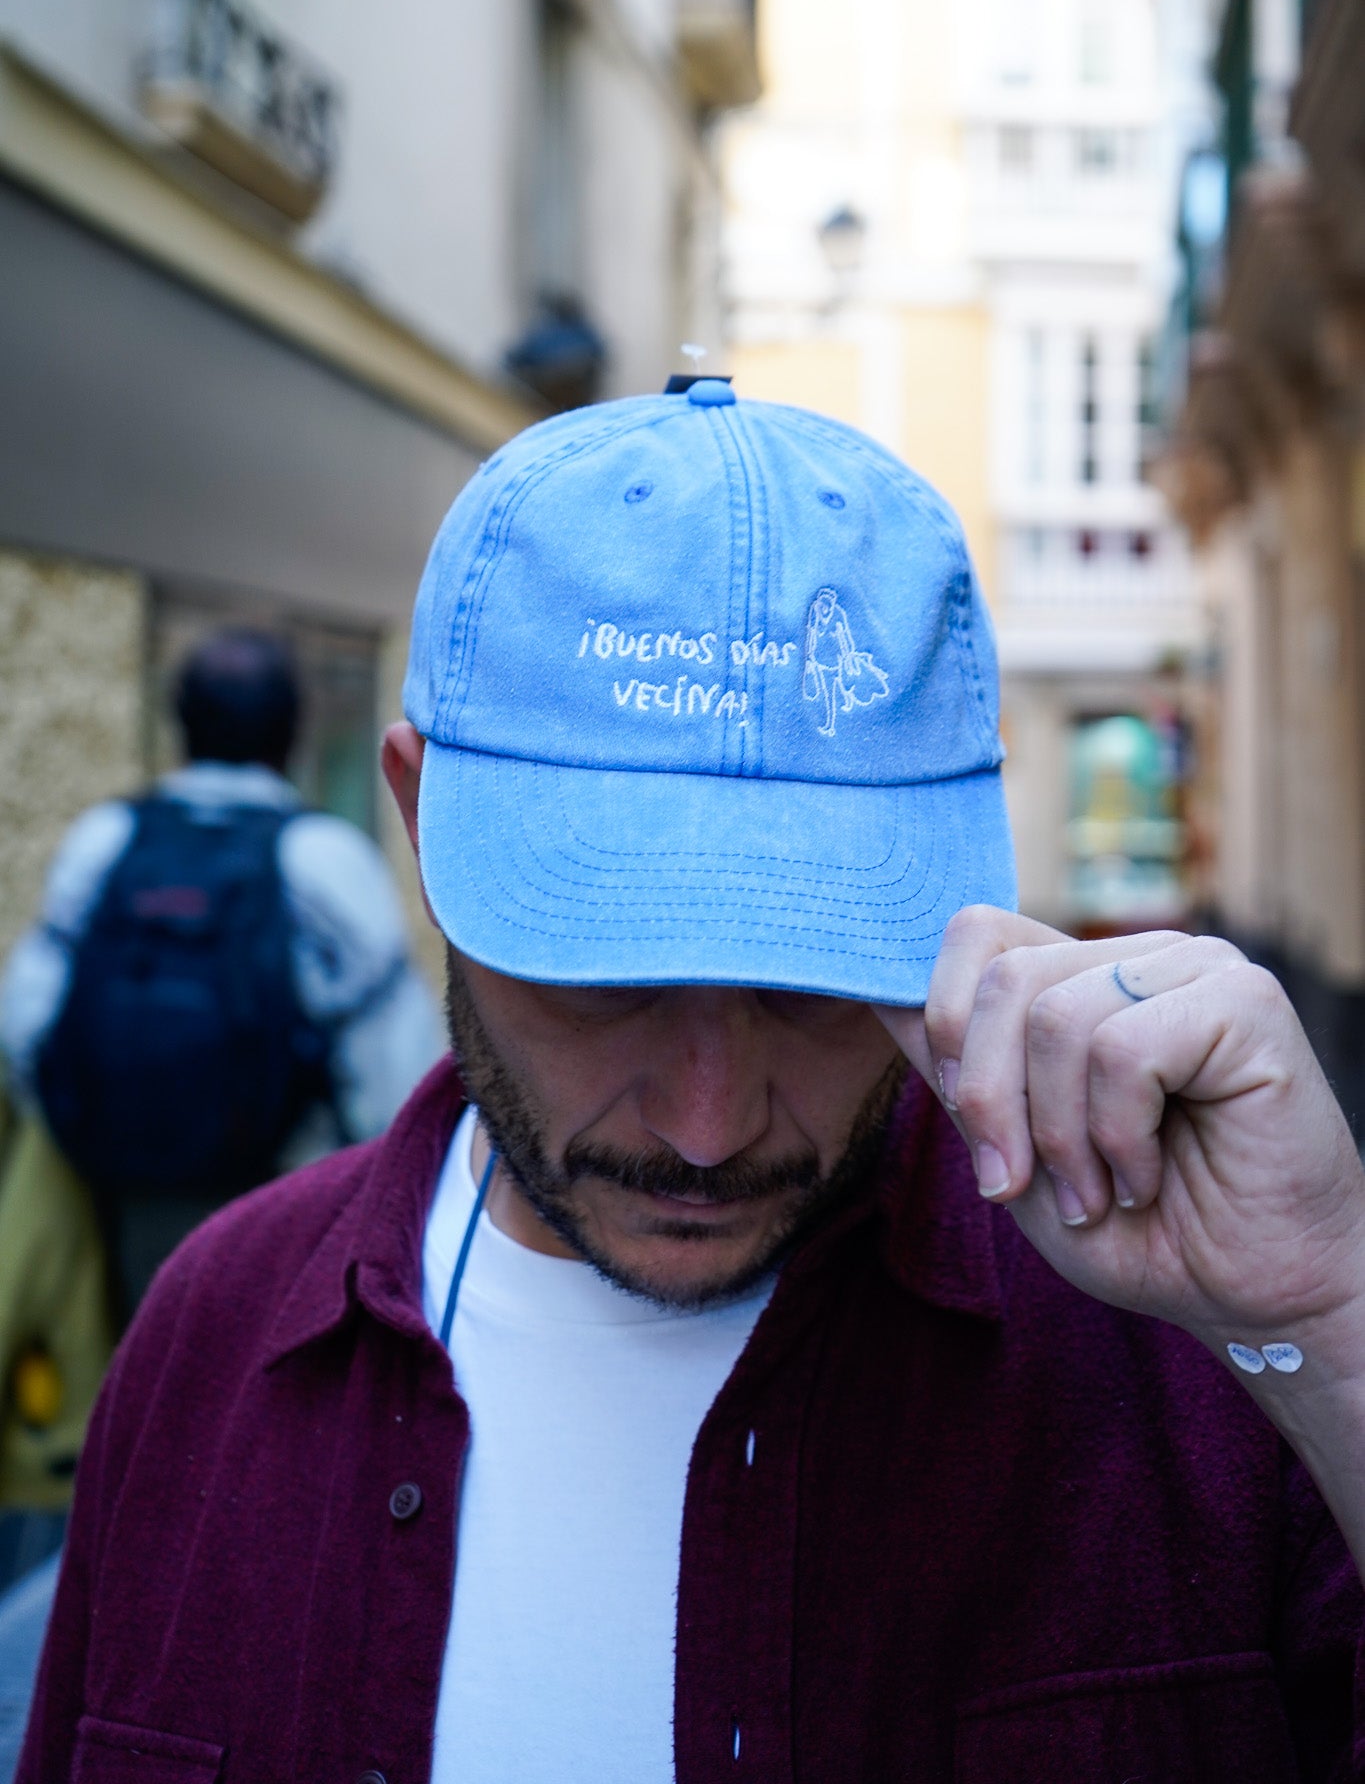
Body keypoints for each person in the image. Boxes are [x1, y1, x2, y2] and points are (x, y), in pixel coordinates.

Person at [16, 384, 1365, 1783]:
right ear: (419, 824)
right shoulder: (210, 1344)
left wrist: (1333, 1326)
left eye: (813, 979)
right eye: (603, 975)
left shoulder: (1202, 1352)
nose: (708, 1127)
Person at [0, 628, 444, 1321]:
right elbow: (394, 1075)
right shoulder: (324, 858)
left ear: (180, 724)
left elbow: (25, 1028)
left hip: (117, 1210)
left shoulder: (105, 839)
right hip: (283, 1214)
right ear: (290, 734)